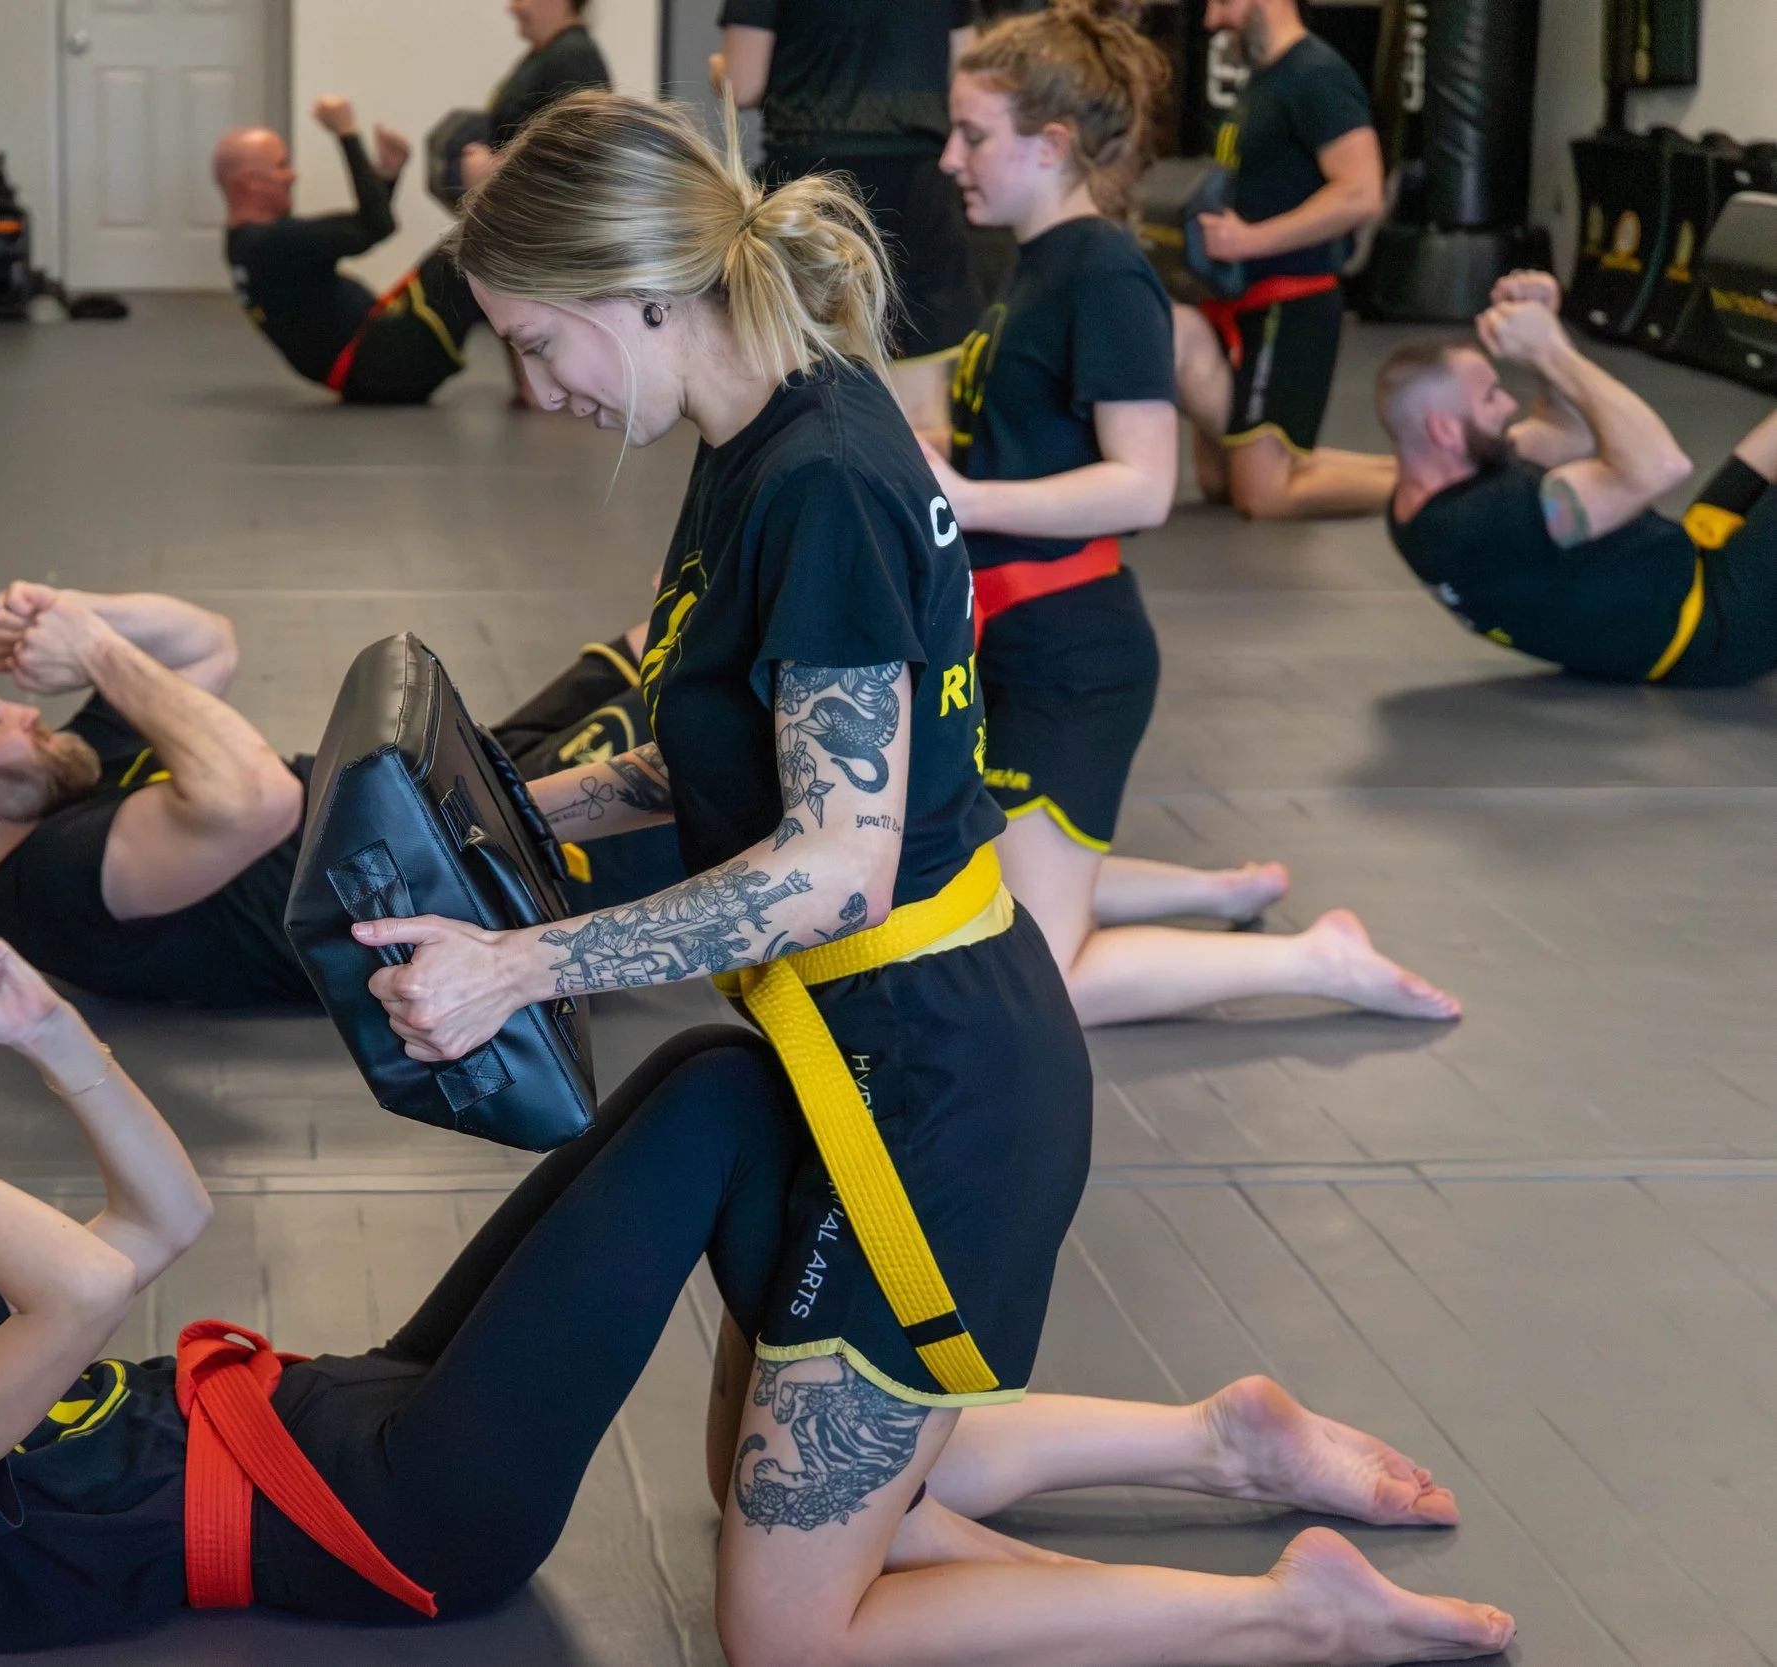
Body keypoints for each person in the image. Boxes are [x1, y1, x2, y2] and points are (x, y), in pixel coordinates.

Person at [350, 87, 1509, 1666]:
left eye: (539, 341)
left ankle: (1287, 1612)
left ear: (642, 291)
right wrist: (495, 813)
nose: (531, 381)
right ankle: (1217, 1440)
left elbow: (833, 865)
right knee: (774, 1494)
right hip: (853, 1054)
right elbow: (721, 750)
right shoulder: (754, 427)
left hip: (941, 1092)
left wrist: (522, 960)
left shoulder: (818, 477)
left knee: (790, 1635)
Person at [0, 934, 1514, 1656]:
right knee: (717, 1098)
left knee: (704, 1085)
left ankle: (934, 1467)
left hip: (352, 1405)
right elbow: (77, 1274)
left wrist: (56, 1032)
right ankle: (1279, 1612)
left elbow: (149, 1218)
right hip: (402, 1514)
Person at [926, 2, 1456, 1026]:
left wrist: (967, 495)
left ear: (1051, 146)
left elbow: (1140, 484)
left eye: (972, 136)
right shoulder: (1031, 266)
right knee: (969, 889)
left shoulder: (1105, 275)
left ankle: (1318, 960)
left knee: (1029, 987)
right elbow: (1022, 445)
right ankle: (1216, 891)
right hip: (1009, 637)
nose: (951, 158)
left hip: (1072, 655)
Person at [0, 585, 673, 1008]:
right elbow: (257, 801)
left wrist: (78, 610)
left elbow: (205, 645)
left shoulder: (64, 784)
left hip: (444, 799)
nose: (22, 711)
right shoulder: (48, 885)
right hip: (495, 875)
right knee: (711, 721)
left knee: (656, 637)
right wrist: (93, 650)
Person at [1381, 269, 1777, 687]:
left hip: (1694, 562)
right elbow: (1661, 465)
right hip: (1719, 626)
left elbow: (1564, 434)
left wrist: (1547, 329)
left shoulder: (1434, 487)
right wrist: (1550, 352)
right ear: (1444, 429)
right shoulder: (1482, 522)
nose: (1508, 403)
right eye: (1490, 397)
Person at [713, 0, 988, 438]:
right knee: (919, 416)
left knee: (802, 400)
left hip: (810, 189)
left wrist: (719, 68)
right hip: (917, 186)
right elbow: (968, 75)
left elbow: (742, 84)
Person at [1170, 0, 1395, 520]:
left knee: (1262, 494)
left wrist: (1251, 241)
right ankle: (1400, 468)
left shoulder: (1317, 75)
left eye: (1221, 3)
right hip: (1238, 298)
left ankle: (1428, 485)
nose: (1211, 22)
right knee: (1218, 481)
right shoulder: (1262, 80)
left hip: (1291, 304)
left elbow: (1362, 192)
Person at [218, 98, 486, 405]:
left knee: (472, 248)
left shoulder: (248, 242)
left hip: (375, 367)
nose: (292, 176)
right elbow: (374, 227)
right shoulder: (272, 243)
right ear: (250, 184)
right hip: (387, 369)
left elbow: (365, 228)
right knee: (475, 241)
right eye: (281, 166)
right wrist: (346, 134)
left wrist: (386, 176)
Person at [456, 0, 615, 194]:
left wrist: (494, 177)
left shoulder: (573, 57)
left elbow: (578, 164)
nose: (512, 8)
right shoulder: (551, 53)